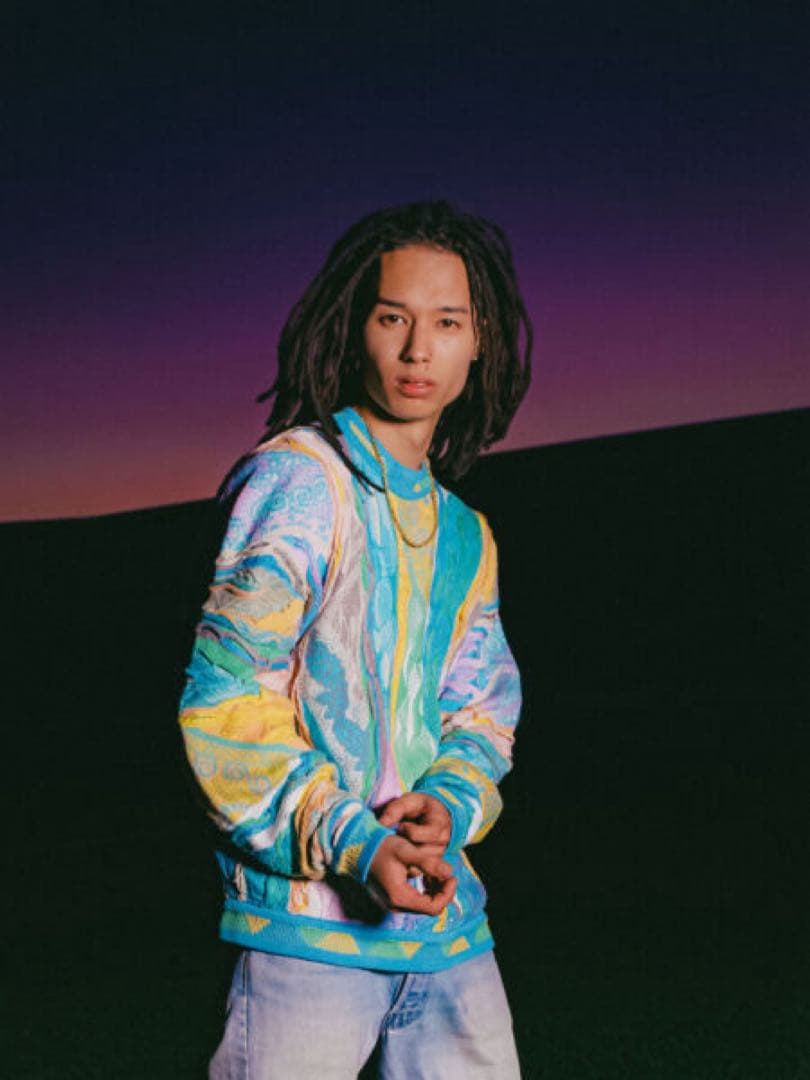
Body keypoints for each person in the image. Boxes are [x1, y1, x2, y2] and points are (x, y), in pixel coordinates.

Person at [179, 200, 532, 1078]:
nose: (418, 351)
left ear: (478, 341)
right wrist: (355, 842)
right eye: (392, 318)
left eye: (446, 322)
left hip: (447, 931)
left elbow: (482, 710)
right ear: (354, 329)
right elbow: (226, 702)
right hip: (304, 937)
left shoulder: (465, 533)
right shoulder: (299, 480)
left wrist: (448, 802)